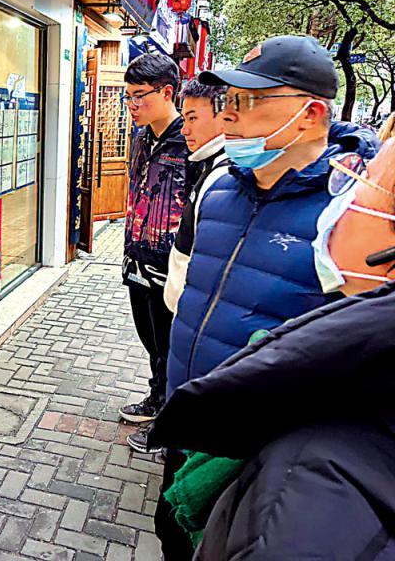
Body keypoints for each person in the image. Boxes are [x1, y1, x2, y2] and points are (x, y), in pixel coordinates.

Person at [141, 35, 380, 560]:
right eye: (228, 99)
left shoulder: (350, 213)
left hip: (257, 450)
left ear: (311, 114)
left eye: (250, 100)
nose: (228, 114)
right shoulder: (216, 188)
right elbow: (185, 289)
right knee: (171, 534)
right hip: (190, 418)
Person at [120, 54, 198, 427]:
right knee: (149, 338)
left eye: (139, 95)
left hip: (171, 264)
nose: (131, 105)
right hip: (137, 255)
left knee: (170, 343)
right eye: (128, 96)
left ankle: (168, 417)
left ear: (167, 92)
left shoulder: (190, 142)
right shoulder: (140, 138)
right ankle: (157, 398)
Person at [163, 80, 230, 315]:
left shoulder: (224, 178)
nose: (185, 130)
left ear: (225, 116)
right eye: (184, 119)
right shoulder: (210, 165)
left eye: (192, 118)